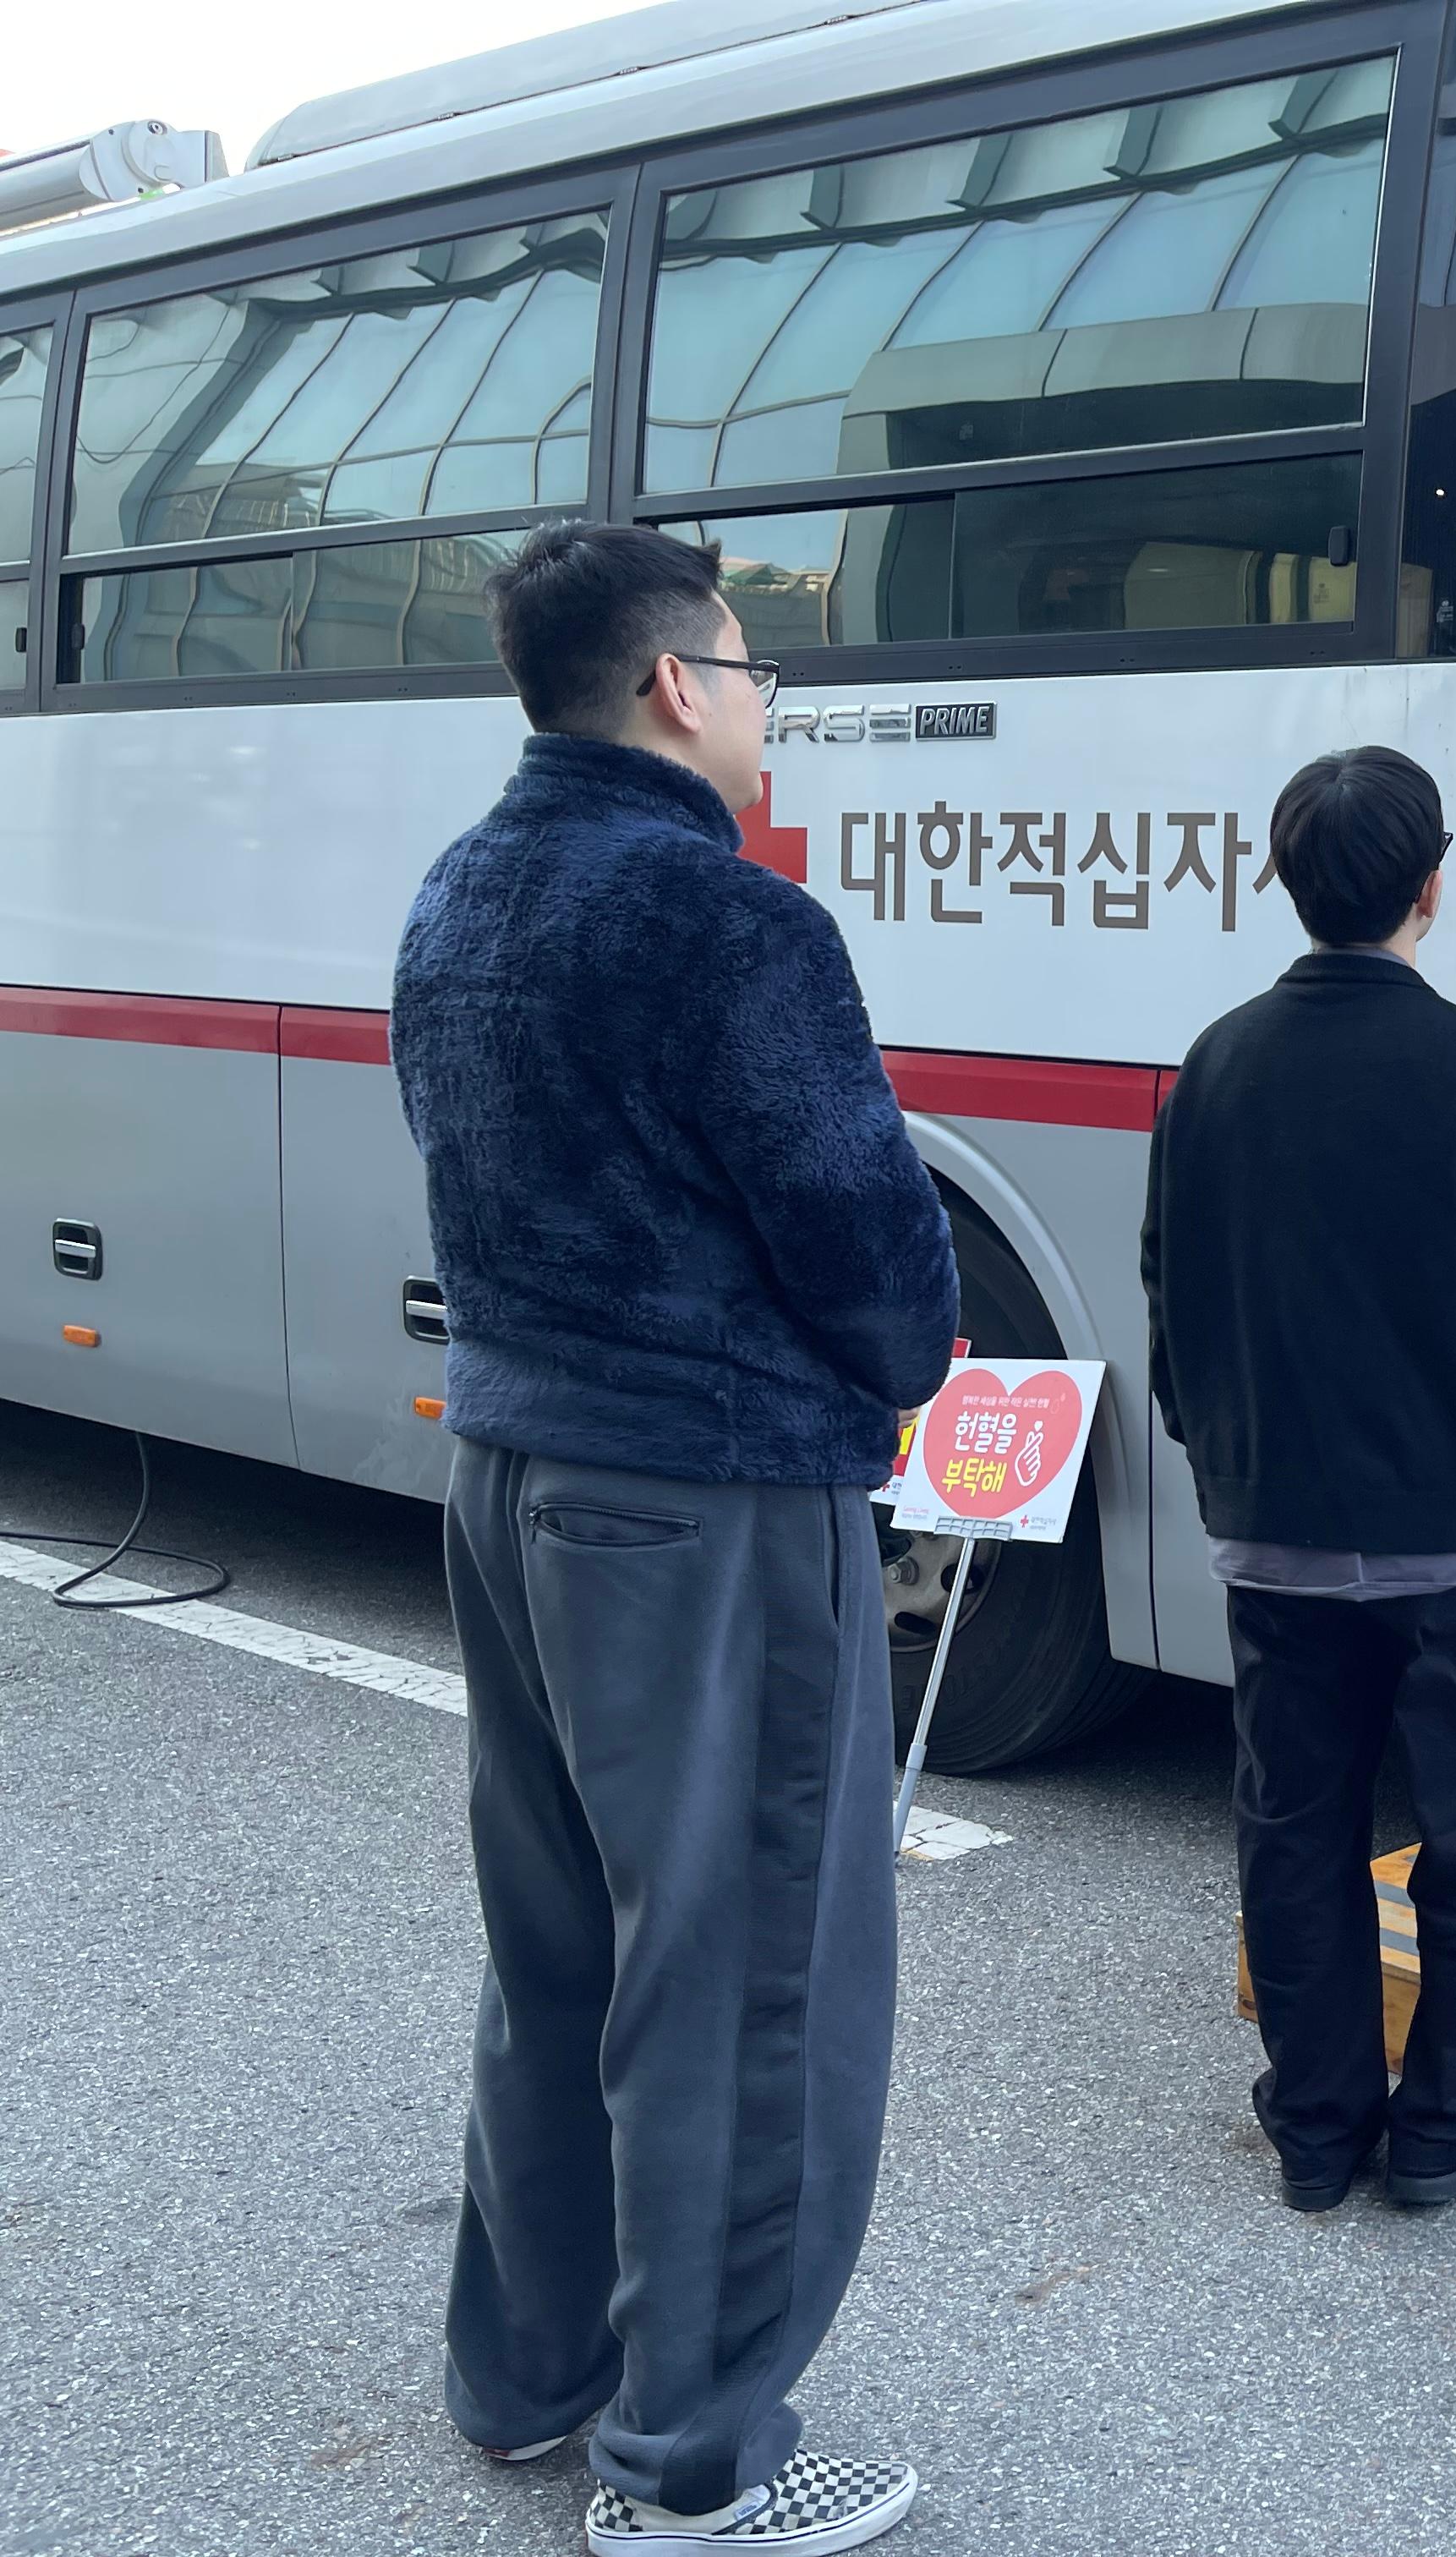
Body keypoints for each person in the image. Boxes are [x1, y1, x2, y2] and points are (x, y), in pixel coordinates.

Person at [394, 523, 956, 2557]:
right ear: (674, 687)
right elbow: (872, 1249)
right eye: (752, 669)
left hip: (512, 1475)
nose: (763, 704)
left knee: (561, 1954)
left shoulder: (463, 890)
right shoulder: (731, 925)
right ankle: (696, 2462)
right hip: (710, 1500)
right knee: (743, 1971)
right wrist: (914, 1353)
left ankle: (528, 2371)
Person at [1141, 747, 1456, 2215]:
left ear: (1286, 882)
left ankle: (1318, 2123)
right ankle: (1453, 2118)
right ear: (1431, 883)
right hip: (1454, 1535)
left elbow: (1172, 1287)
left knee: (1294, 1822)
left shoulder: (1214, 1060)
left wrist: (1220, 1451)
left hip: (1268, 1527)